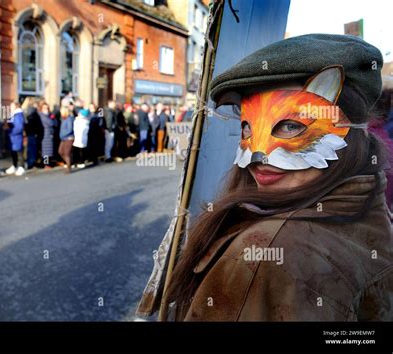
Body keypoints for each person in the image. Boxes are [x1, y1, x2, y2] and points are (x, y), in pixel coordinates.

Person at [165, 34, 392, 321]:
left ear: (350, 128)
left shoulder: (267, 253)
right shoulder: (373, 211)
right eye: (247, 128)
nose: (258, 153)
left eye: (288, 126)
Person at [6, 102, 25, 176]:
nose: (10, 107)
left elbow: (19, 127)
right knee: (13, 153)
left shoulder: (18, 115)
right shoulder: (13, 114)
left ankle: (21, 167)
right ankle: (14, 165)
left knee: (19, 152)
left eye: (12, 106)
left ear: (16, 106)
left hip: (16, 137)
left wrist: (11, 132)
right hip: (12, 137)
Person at [23, 97, 43, 169]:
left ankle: (31, 162)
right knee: (33, 149)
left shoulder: (26, 111)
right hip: (34, 134)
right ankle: (34, 163)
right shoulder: (34, 112)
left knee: (30, 149)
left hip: (30, 133)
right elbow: (36, 124)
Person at [38, 101, 57, 169]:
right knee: (45, 151)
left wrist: (52, 119)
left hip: (50, 135)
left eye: (47, 108)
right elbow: (51, 123)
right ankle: (46, 164)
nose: (46, 109)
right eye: (44, 108)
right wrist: (52, 119)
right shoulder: (42, 115)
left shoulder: (48, 115)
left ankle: (48, 163)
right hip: (45, 135)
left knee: (49, 150)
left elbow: (55, 123)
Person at [58, 105, 75, 173]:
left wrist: (62, 134)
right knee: (60, 151)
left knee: (66, 153)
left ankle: (69, 167)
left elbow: (69, 129)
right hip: (63, 138)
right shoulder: (64, 119)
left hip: (68, 138)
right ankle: (70, 162)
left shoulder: (69, 119)